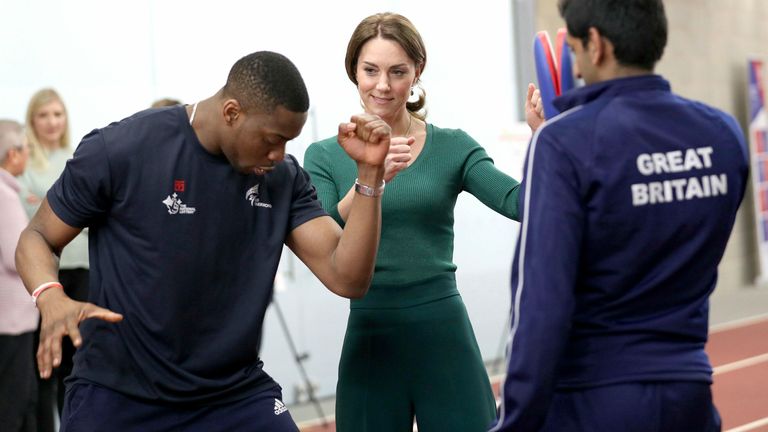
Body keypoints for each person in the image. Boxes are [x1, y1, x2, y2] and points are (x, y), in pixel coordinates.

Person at [15, 51, 391, 432]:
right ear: (231, 112)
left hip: (232, 394)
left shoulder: (282, 178)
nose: (279, 155)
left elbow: (348, 278)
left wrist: (371, 175)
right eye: (272, 140)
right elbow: (38, 236)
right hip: (119, 394)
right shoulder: (121, 149)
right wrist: (49, 294)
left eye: (287, 143)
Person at [492, 0, 748, 431]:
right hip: (689, 394)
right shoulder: (723, 133)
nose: (575, 65)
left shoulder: (562, 144)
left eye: (572, 51)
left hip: (591, 401)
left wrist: (514, 422)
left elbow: (541, 305)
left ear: (595, 45)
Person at [304, 12, 522, 432]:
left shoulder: (453, 146)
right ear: (354, 72)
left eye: (397, 72)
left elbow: (518, 202)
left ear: (417, 73)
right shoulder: (325, 155)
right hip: (371, 332)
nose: (382, 85)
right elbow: (324, 231)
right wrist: (371, 177)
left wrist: (553, 143)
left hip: (442, 330)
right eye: (370, 70)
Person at [17, 88, 87, 427]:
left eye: (58, 114)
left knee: (76, 364)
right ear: (32, 120)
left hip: (82, 272)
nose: (52, 122)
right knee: (45, 364)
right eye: (44, 115)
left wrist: (42, 204)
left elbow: (86, 216)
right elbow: (27, 221)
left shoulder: (76, 158)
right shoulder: (22, 163)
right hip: (42, 277)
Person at [0, 119, 38, 432]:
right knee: (13, 405)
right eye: (26, 148)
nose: (27, 154)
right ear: (13, 154)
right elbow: (17, 257)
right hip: (11, 322)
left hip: (9, 320)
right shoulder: (5, 196)